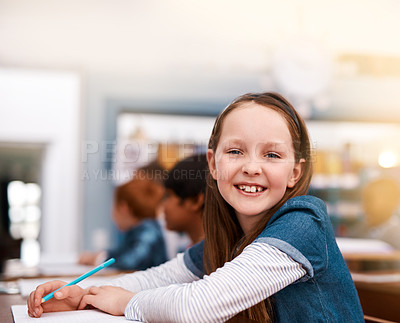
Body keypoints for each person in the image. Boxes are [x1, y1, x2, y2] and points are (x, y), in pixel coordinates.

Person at [28, 92, 364, 322]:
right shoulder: (231, 237)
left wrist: (126, 303)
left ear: (295, 172)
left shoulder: (303, 223)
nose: (251, 167)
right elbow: (157, 279)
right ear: (213, 165)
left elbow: (198, 306)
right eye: (235, 151)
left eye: (272, 155)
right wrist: (82, 293)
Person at [78, 177, 168, 271]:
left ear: (123, 208)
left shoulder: (148, 233)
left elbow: (130, 262)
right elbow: (122, 252)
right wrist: (102, 254)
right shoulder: (140, 230)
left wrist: (99, 260)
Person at [162, 153, 208, 247]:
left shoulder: (212, 259)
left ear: (195, 201)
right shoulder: (193, 252)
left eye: (169, 196)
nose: (164, 205)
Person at [350, 177, 400, 249]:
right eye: (364, 201)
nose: (364, 208)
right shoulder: (358, 231)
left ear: (390, 203)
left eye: (370, 201)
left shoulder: (396, 236)